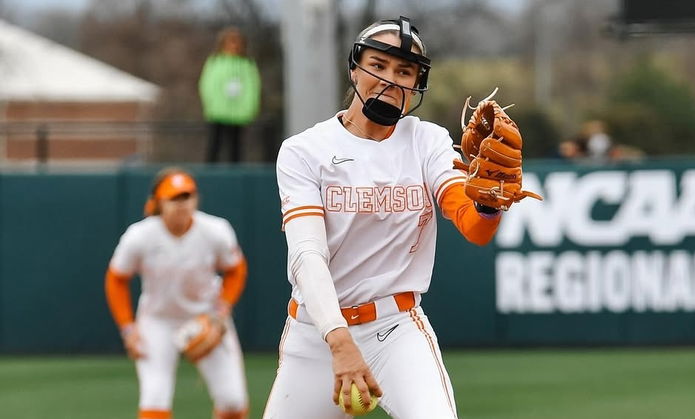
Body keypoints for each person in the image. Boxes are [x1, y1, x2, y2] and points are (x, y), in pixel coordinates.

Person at [264, 16, 503, 419]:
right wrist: (339, 341)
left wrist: (488, 204)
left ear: (417, 84)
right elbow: (307, 256)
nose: (392, 79)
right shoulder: (304, 150)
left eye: (405, 71)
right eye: (379, 65)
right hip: (317, 333)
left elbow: (474, 227)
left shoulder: (427, 140)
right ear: (354, 68)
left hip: (395, 329)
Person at [104, 168, 249, 419]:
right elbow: (116, 279)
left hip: (206, 318)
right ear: (159, 202)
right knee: (155, 398)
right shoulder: (140, 236)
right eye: (174, 198)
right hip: (158, 322)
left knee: (233, 401)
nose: (182, 204)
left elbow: (236, 269)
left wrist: (222, 308)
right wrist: (128, 329)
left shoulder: (215, 230)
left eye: (188, 196)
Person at [199, 27, 261, 163]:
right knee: (214, 145)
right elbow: (207, 84)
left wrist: (249, 108)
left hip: (239, 115)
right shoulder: (215, 62)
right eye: (230, 42)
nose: (234, 46)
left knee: (236, 148)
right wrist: (211, 104)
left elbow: (252, 88)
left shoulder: (247, 64)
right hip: (217, 112)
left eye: (237, 42)